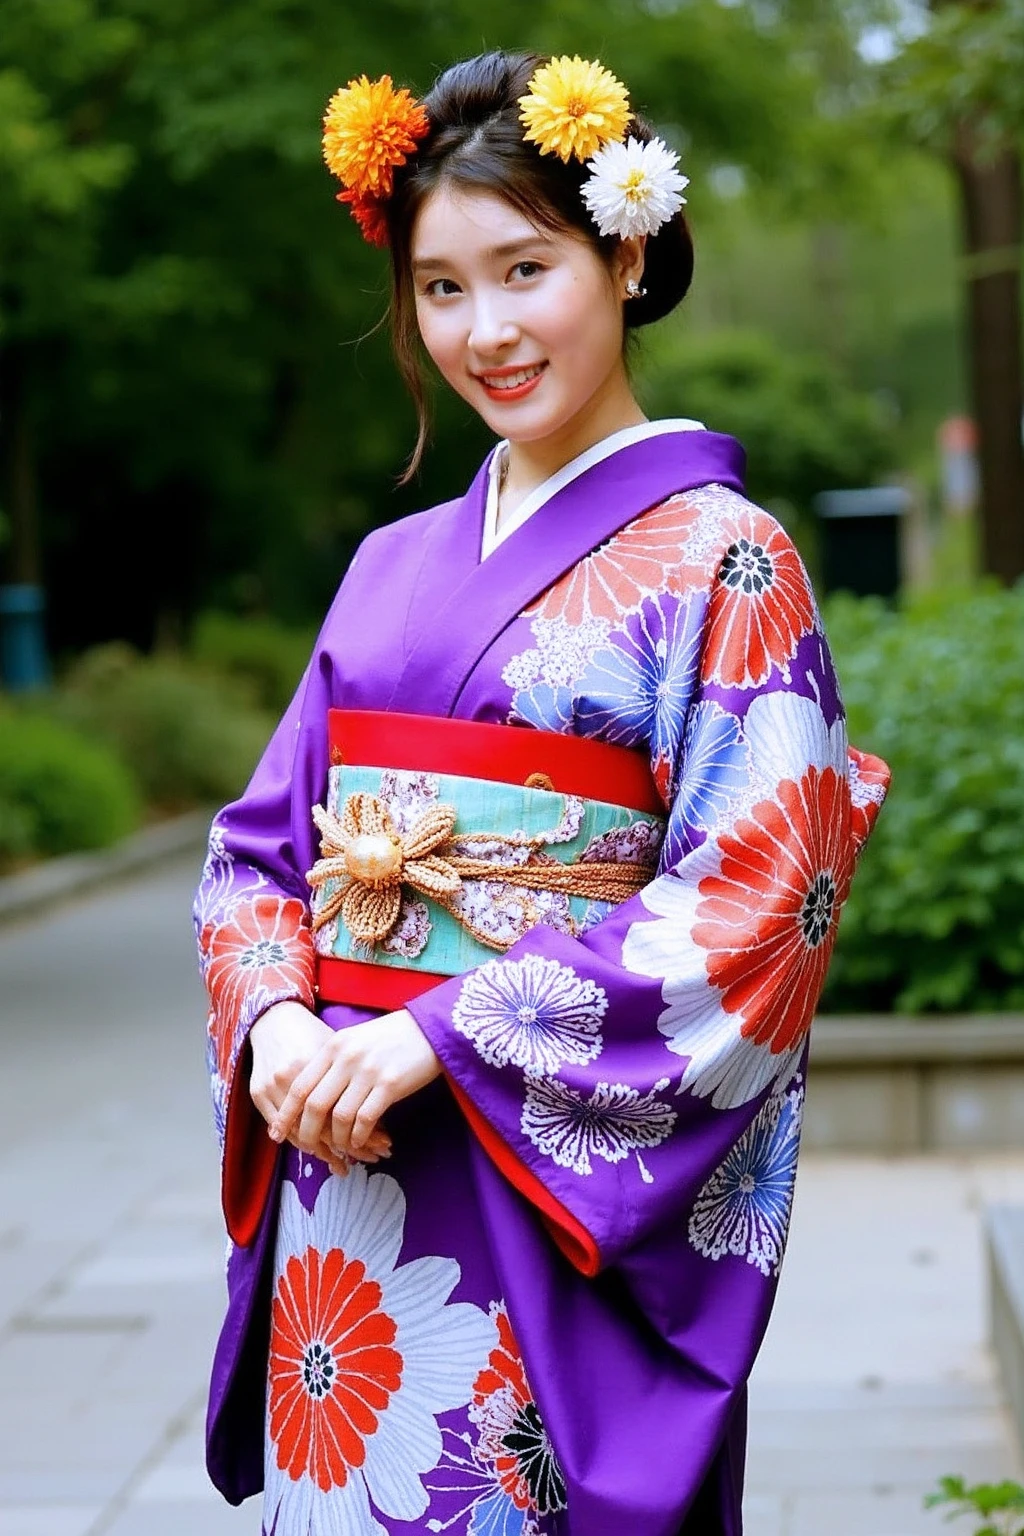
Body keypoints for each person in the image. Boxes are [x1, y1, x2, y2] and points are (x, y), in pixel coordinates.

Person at [192, 47, 891, 1536]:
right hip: (350, 1173)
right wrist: (275, 1027)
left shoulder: (727, 558)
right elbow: (259, 850)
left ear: (626, 253)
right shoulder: (387, 569)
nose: (486, 330)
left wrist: (440, 1038)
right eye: (441, 289)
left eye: (525, 269)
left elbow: (760, 905)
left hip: (548, 1181)